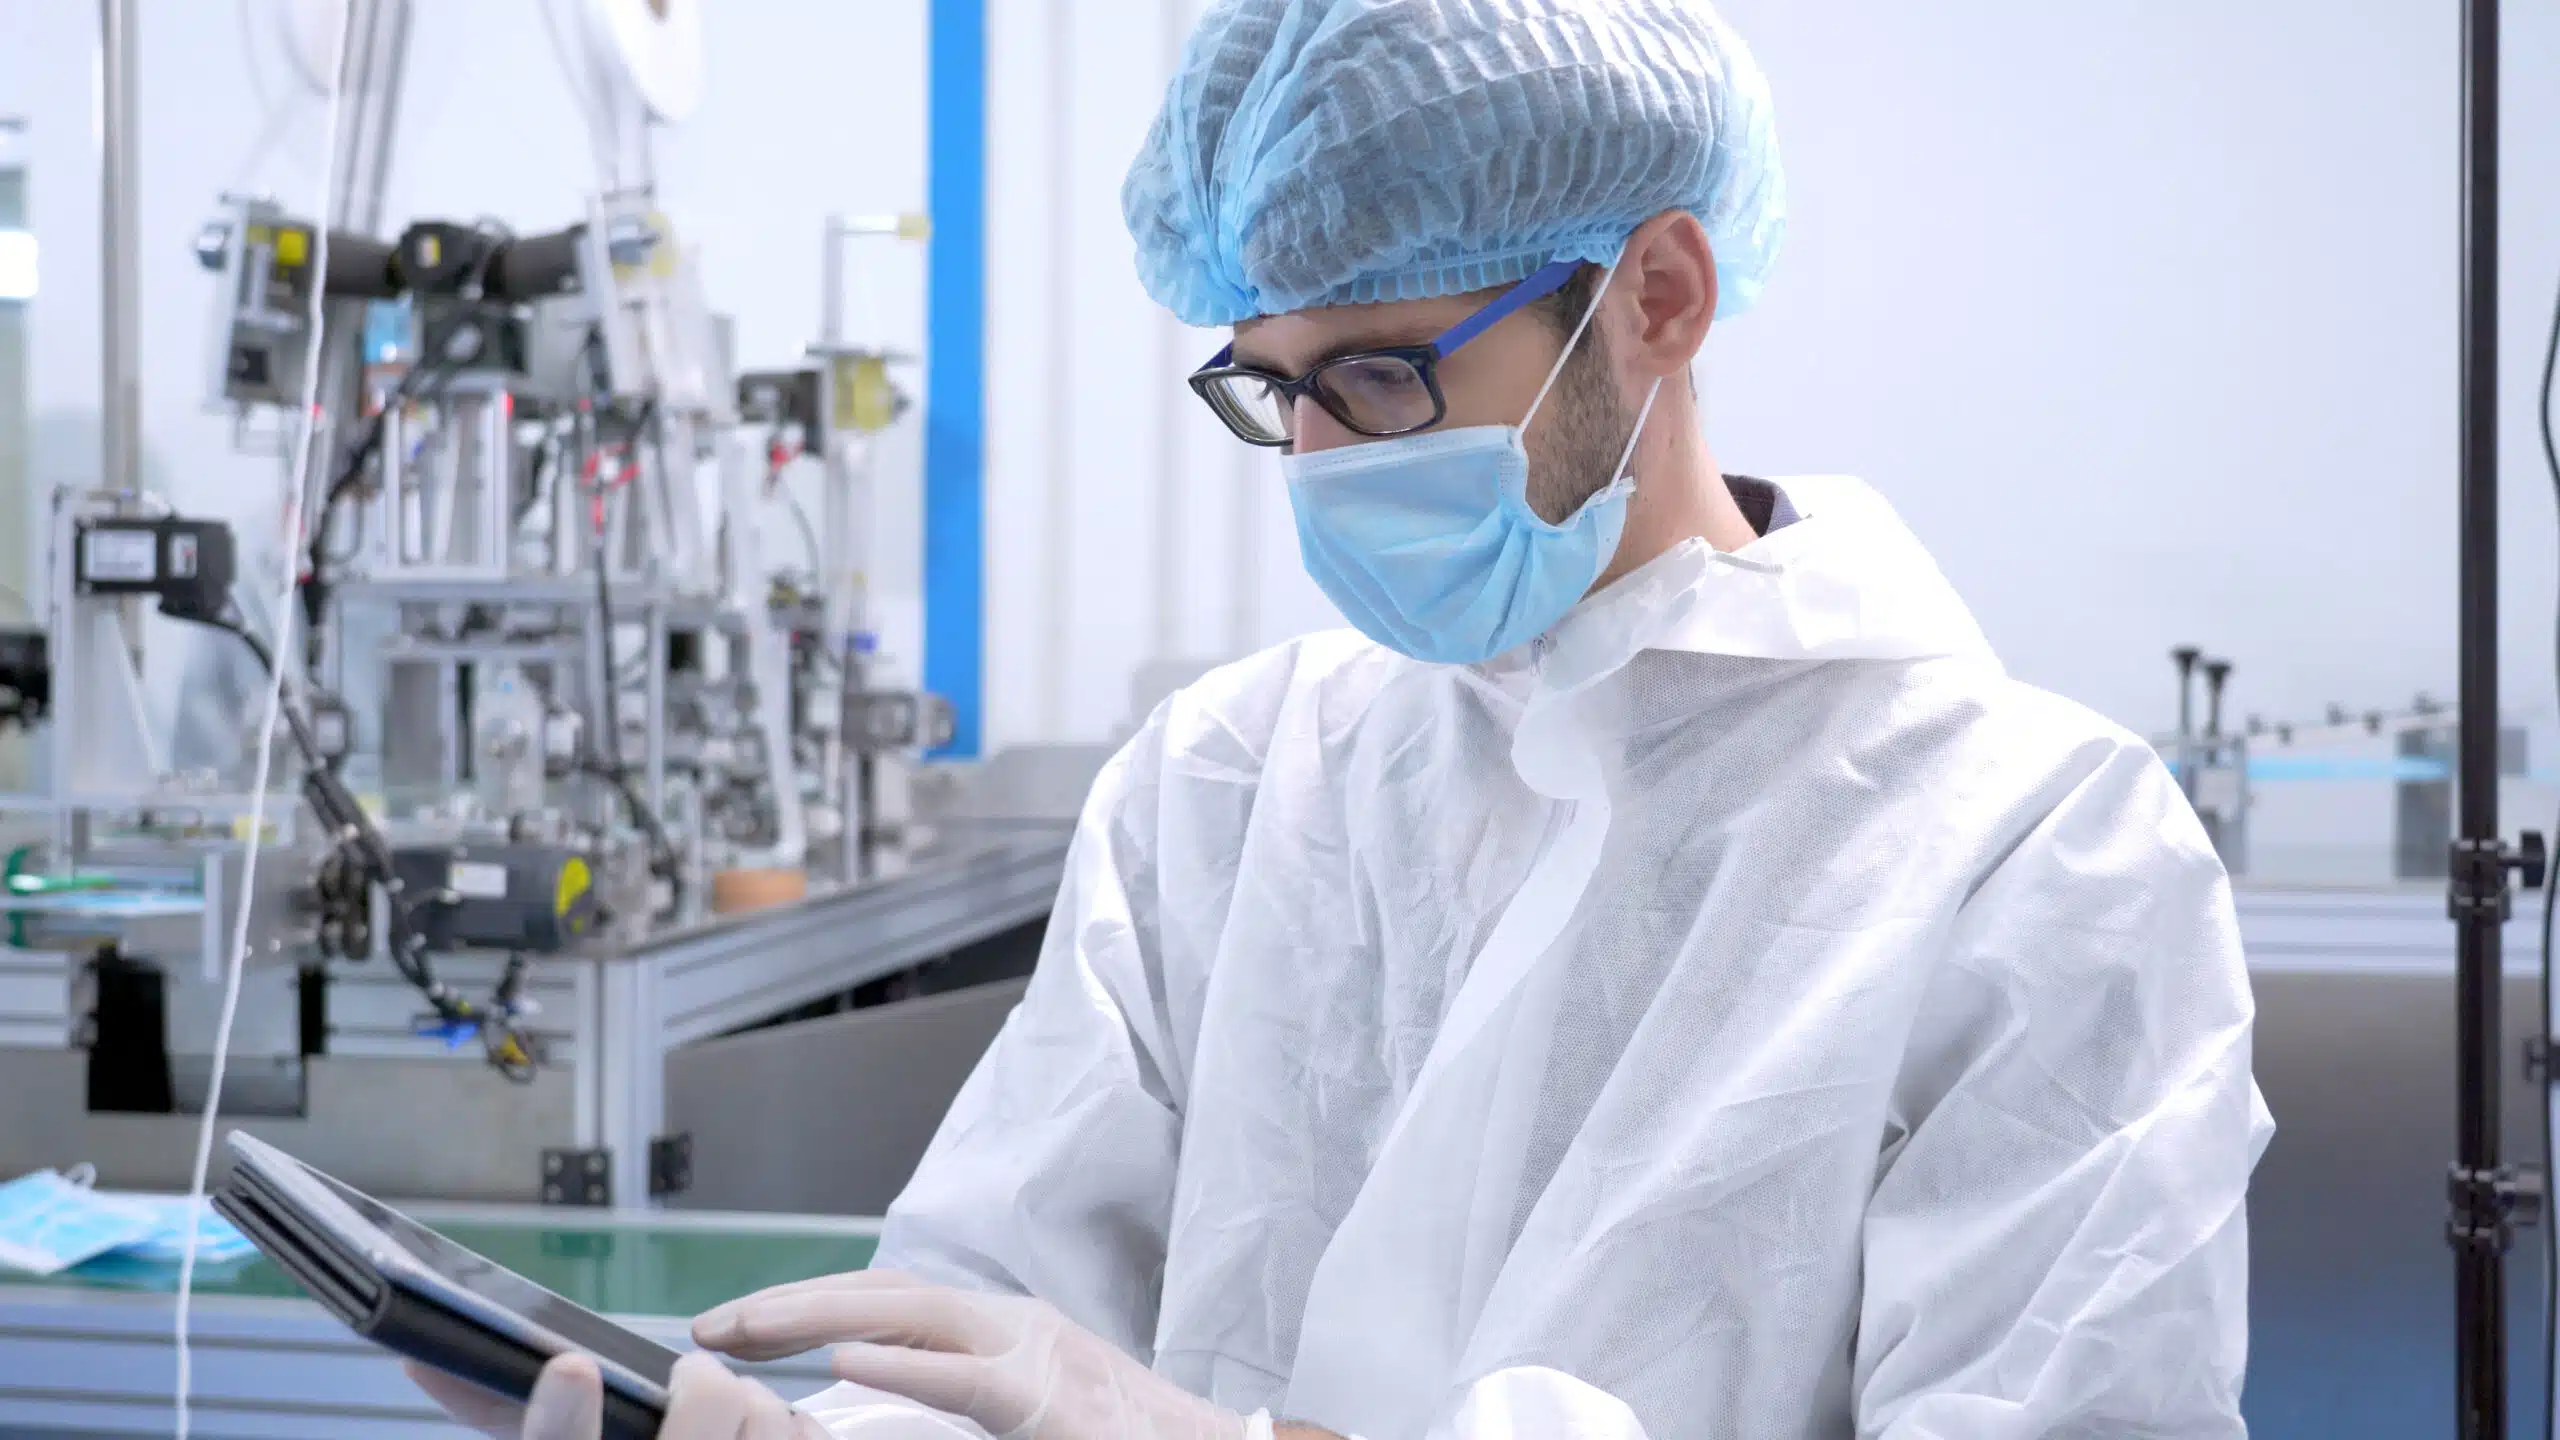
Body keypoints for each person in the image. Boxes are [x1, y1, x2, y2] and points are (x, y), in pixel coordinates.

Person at [420, 0, 2272, 1436]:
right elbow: (982, 1313)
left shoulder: (2033, 856)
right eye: (1272, 387)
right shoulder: (1232, 780)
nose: (1314, 459)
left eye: (1382, 374)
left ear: (1658, 297)